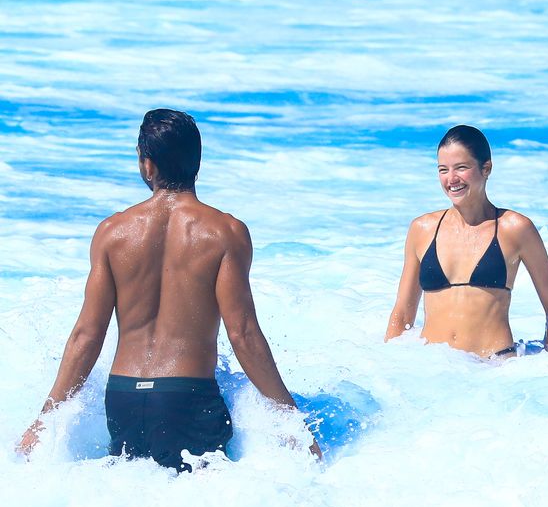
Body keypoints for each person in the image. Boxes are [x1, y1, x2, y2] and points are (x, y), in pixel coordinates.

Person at [18, 109, 321, 469]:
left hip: (122, 398)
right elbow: (243, 333)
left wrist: (45, 419)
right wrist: (290, 416)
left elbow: (86, 335)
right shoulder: (225, 232)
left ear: (148, 165)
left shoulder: (112, 232)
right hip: (186, 399)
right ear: (196, 162)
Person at [385, 125, 548, 358]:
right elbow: (402, 315)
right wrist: (390, 365)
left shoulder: (515, 228)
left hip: (494, 369)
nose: (451, 179)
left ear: (486, 168)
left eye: (461, 167)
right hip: (431, 367)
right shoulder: (422, 229)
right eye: (443, 170)